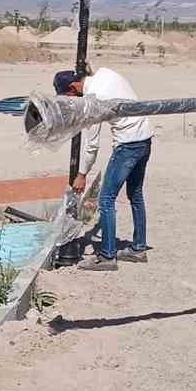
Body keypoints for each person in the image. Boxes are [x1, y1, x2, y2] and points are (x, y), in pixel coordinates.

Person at [54, 66, 152, 272]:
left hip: (128, 144)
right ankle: (138, 248)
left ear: (73, 87)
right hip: (145, 137)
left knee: (106, 199)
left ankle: (107, 256)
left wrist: (82, 175)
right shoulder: (105, 72)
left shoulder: (93, 100)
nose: (72, 101)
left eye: (69, 96)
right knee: (136, 194)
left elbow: (92, 146)